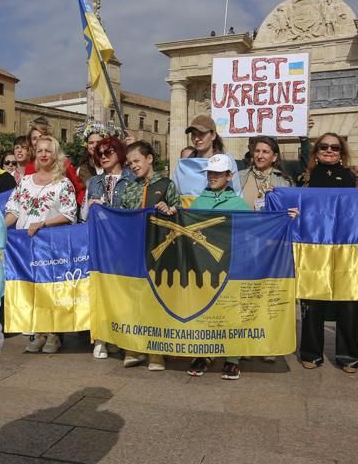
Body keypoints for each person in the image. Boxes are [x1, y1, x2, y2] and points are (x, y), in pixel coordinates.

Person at [297, 132, 358, 373]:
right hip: (314, 248)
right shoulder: (305, 179)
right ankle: (311, 353)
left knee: (348, 303)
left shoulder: (356, 177)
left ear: (342, 152)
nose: (329, 151)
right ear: (316, 151)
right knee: (313, 301)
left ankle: (348, 356)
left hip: (348, 248)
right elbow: (294, 206)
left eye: (335, 148)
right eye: (324, 147)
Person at [5, 135, 78, 355]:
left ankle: (54, 334)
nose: (43, 154)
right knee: (31, 287)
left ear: (55, 155)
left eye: (48, 150)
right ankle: (38, 332)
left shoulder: (63, 184)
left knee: (50, 288)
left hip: (51, 244)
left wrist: (43, 222)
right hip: (26, 244)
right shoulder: (26, 181)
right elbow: (14, 210)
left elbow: (69, 213)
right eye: (40, 151)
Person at [185, 154, 253, 380]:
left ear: (229, 175)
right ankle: (204, 353)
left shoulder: (239, 204)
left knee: (231, 309)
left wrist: (284, 217)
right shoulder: (198, 202)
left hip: (232, 266)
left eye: (218, 173)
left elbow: (252, 232)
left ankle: (232, 358)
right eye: (210, 173)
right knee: (205, 310)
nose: (212, 177)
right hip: (204, 267)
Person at [119, 141, 180, 372]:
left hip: (160, 251)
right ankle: (133, 348)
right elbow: (122, 215)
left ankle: (157, 352)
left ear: (149, 159)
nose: (133, 166)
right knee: (134, 298)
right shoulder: (130, 187)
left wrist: (170, 210)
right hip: (134, 250)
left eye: (136, 161)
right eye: (130, 163)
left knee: (156, 299)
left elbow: (179, 214)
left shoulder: (166, 184)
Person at [82, 136, 135, 359]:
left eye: (108, 152)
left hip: (124, 243)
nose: (103, 156)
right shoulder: (93, 182)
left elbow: (133, 209)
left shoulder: (132, 179)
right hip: (100, 244)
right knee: (101, 290)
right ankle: (101, 337)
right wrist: (92, 207)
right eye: (99, 153)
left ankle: (122, 337)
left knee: (123, 292)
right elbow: (83, 215)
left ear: (119, 153)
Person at [25, 124, 85, 205]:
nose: (39, 140)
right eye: (34, 138)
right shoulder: (29, 166)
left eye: (41, 136)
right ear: (31, 142)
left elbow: (79, 189)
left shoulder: (63, 163)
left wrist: (78, 209)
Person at [239, 136, 292, 209]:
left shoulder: (285, 181)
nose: (259, 156)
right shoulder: (239, 177)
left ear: (274, 157)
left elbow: (288, 207)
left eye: (265, 152)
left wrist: (276, 195)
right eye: (257, 151)